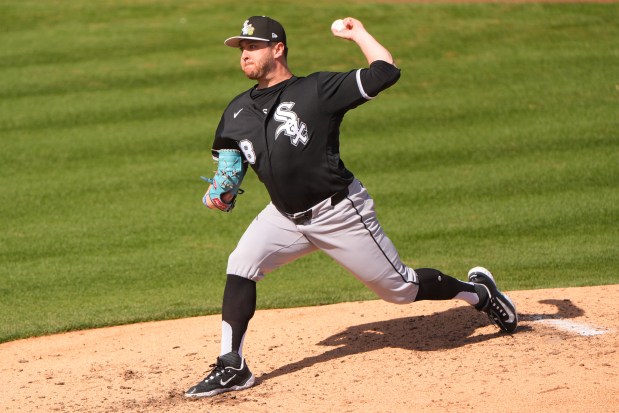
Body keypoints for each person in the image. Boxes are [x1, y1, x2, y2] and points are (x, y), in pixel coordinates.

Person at [185, 15, 518, 398]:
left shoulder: (316, 90)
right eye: (242, 48)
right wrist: (222, 191)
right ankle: (232, 365)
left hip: (338, 213)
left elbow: (385, 72)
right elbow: (231, 162)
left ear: (278, 49)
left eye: (253, 46)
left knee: (401, 289)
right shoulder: (236, 110)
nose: (245, 54)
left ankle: (479, 293)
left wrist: (358, 34)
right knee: (241, 265)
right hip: (284, 216)